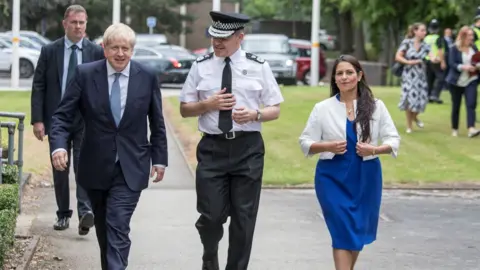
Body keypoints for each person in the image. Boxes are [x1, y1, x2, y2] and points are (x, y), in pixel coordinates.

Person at [49, 23, 168, 270]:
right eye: (115, 47)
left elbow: (157, 121)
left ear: (132, 50)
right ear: (104, 49)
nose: (120, 53)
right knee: (104, 230)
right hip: (95, 167)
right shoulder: (85, 74)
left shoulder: (146, 76)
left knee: (117, 224)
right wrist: (59, 146)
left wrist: (159, 159)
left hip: (131, 166)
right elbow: (62, 116)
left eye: (126, 48)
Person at [179, 11, 284, 270]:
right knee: (211, 216)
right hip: (213, 149)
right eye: (214, 37)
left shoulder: (259, 66)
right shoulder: (200, 65)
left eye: (223, 38)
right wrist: (207, 104)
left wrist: (255, 114)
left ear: (240, 37)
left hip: (247, 149)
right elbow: (184, 108)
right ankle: (209, 252)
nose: (217, 43)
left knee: (243, 218)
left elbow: (275, 108)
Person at [298, 55, 400, 270]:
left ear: (359, 75)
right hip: (332, 177)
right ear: (334, 79)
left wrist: (375, 149)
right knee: (342, 231)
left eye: (349, 73)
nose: (344, 77)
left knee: (357, 231)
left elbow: (393, 140)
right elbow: (305, 141)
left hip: (367, 176)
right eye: (339, 73)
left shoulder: (376, 106)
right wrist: (327, 146)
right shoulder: (322, 108)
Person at [30, 4, 104, 234]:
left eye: (82, 23)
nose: (79, 27)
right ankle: (63, 214)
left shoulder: (96, 52)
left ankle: (85, 214)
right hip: (58, 119)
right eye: (74, 22)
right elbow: (39, 86)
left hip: (86, 120)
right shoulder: (50, 51)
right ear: (65, 24)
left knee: (83, 166)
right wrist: (38, 120)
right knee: (60, 167)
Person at [395, 22, 431, 134]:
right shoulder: (407, 43)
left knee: (422, 100)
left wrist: (435, 59)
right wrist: (409, 62)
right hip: (409, 76)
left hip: (421, 76)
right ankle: (409, 126)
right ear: (415, 31)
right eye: (422, 30)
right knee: (410, 100)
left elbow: (431, 56)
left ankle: (415, 117)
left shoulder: (425, 45)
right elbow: (398, 56)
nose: (424, 32)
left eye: (425, 30)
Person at [445, 26, 480, 138]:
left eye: (472, 35)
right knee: (456, 105)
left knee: (471, 103)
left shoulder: (474, 48)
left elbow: (477, 60)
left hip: (471, 80)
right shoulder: (454, 48)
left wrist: (477, 66)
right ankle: (455, 129)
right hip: (456, 82)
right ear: (463, 36)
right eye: (469, 35)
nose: (472, 37)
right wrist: (463, 67)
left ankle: (471, 128)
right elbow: (452, 64)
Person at [424, 19, 446, 104]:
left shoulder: (426, 38)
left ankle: (428, 96)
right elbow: (440, 50)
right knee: (441, 78)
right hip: (436, 60)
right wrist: (443, 61)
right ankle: (435, 95)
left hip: (427, 60)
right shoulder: (438, 38)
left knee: (430, 79)